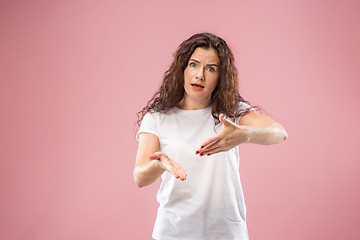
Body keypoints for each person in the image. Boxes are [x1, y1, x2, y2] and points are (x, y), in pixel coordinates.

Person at [133, 32, 288, 240]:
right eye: (194, 65)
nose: (200, 75)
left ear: (220, 78)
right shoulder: (158, 118)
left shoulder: (231, 111)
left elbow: (279, 133)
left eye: (211, 69)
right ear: (182, 69)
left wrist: (245, 135)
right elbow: (140, 178)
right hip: (174, 233)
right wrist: (159, 165)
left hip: (225, 233)